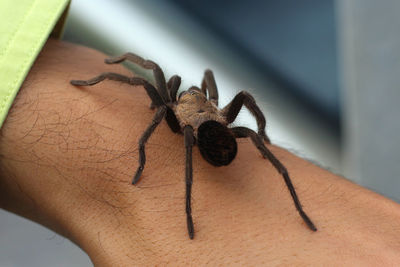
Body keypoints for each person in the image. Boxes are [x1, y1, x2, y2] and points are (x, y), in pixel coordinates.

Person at [1, 2, 400, 266]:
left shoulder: (173, 113)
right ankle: (241, 185)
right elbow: (206, 94)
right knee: (162, 82)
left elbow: (158, 103)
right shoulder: (219, 112)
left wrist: (144, 150)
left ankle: (205, 209)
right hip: (216, 131)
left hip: (205, 137)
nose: (194, 92)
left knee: (149, 82)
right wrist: (256, 132)